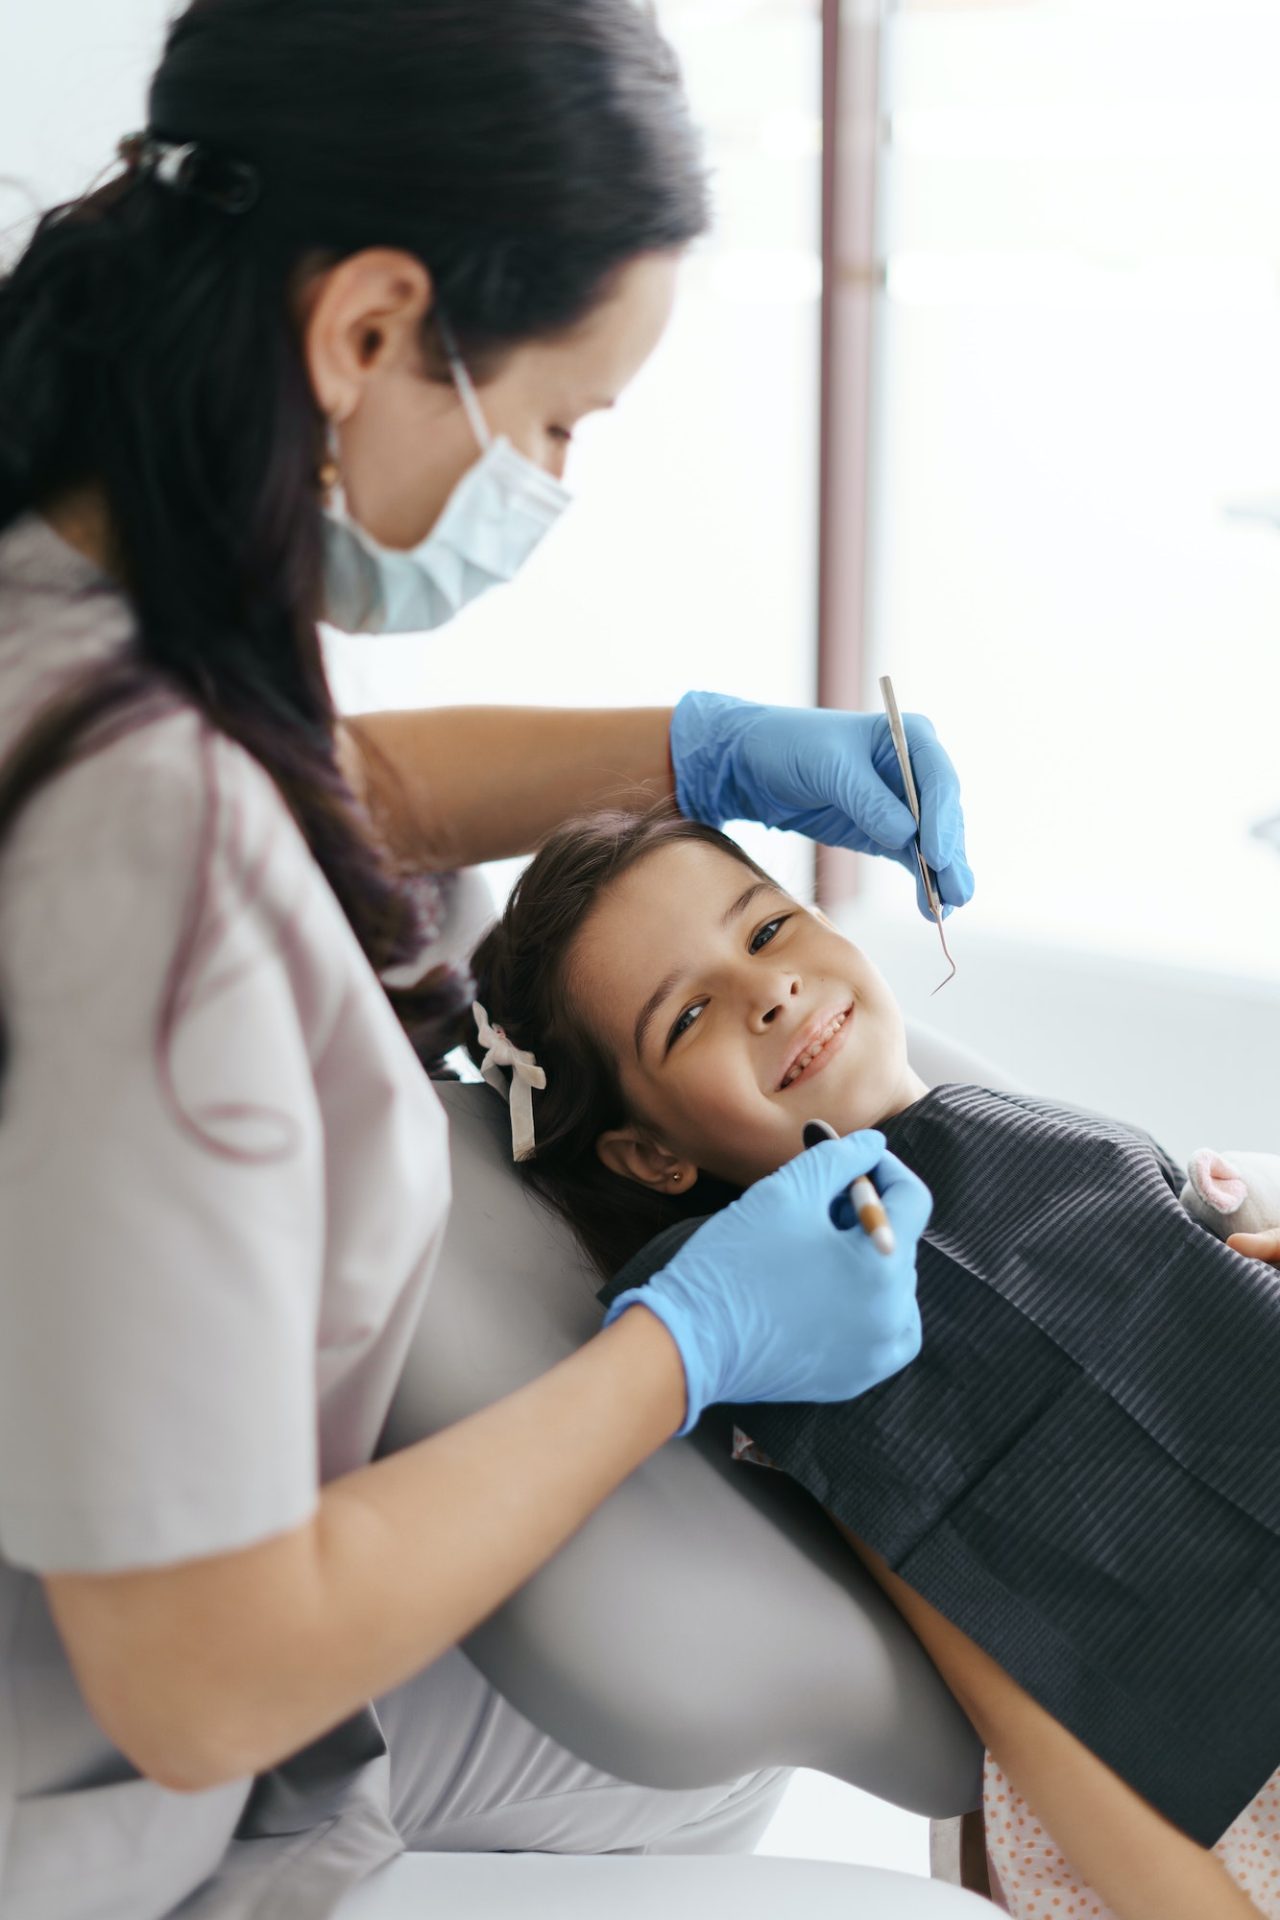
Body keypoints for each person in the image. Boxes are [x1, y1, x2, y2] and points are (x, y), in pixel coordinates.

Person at [0, 4, 976, 1916]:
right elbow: (198, 1677)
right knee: (709, 1793)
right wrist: (676, 1355)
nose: (548, 482)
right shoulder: (153, 869)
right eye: (548, 424)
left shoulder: (73, 555)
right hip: (87, 1726)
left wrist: (689, 750)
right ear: (366, 328)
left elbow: (297, 775)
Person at [467, 804, 1280, 1920]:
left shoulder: (1039, 1136)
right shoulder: (826, 1333)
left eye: (763, 932)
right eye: (689, 1013)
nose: (769, 992)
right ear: (651, 1154)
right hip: (1206, 1788)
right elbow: (1025, 1691)